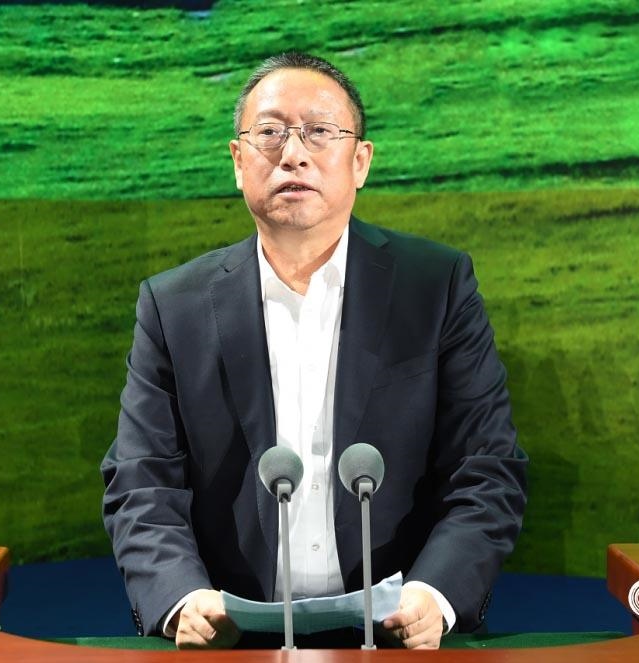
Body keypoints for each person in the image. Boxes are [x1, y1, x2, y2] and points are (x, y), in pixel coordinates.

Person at [101, 52, 528, 650]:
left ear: (361, 161)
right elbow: (141, 480)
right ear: (238, 160)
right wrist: (181, 597)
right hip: (229, 637)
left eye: (320, 132)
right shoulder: (174, 306)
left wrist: (435, 594)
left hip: (399, 633)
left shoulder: (435, 287)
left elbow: (486, 466)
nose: (293, 155)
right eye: (270, 133)